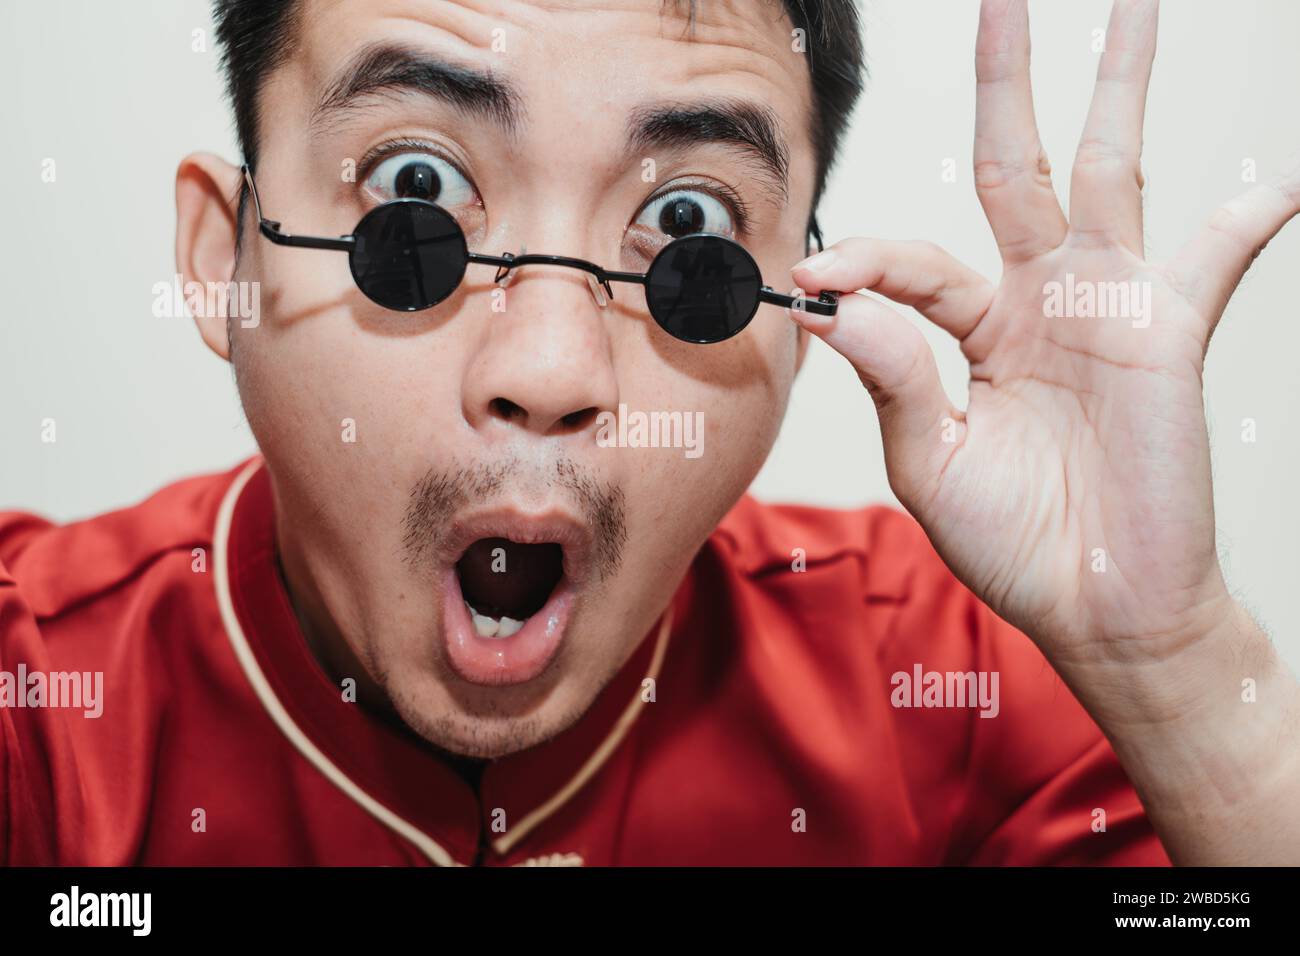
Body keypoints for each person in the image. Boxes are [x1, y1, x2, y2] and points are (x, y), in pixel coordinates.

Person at [2, 0, 1296, 866]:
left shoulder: (947, 691)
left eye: (690, 231)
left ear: (808, 316)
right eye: (416, 196)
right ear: (221, 261)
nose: (551, 371)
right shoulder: (41, 712)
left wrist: (1179, 675)